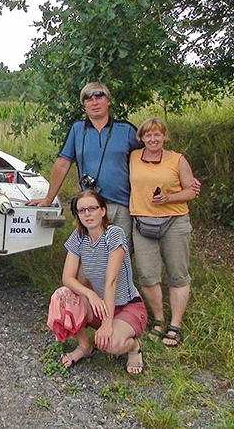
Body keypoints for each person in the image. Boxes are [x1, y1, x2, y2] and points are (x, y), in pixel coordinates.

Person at [28, 83, 142, 244]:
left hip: (121, 205)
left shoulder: (126, 129)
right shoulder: (77, 129)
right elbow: (63, 163)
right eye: (88, 99)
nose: (94, 102)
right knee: (92, 253)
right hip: (90, 206)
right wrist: (48, 199)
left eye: (99, 96)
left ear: (108, 101)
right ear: (84, 105)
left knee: (121, 253)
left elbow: (147, 159)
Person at [48, 190, 147, 375]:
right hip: (99, 304)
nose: (87, 214)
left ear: (103, 211)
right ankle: (85, 346)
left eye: (92, 208)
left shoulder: (114, 234)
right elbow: (67, 278)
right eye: (82, 210)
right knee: (62, 296)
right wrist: (91, 294)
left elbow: (111, 281)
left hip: (126, 305)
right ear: (77, 215)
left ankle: (134, 346)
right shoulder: (78, 237)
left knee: (111, 344)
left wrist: (107, 324)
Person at [129, 117, 197, 347]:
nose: (153, 139)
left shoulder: (177, 160)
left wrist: (169, 198)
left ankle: (175, 325)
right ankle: (158, 321)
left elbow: (191, 191)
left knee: (177, 274)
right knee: (148, 276)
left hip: (174, 222)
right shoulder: (133, 157)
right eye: (148, 135)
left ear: (165, 136)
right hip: (142, 222)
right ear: (141, 138)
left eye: (157, 134)